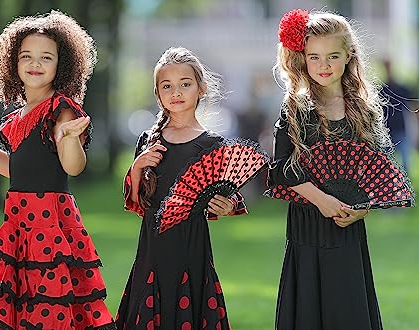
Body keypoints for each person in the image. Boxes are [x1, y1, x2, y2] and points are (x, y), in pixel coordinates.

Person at [0, 11, 116, 330]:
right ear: (13, 63)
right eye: (26, 56)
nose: (36, 63)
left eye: (47, 57)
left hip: (49, 225)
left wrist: (70, 138)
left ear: (62, 65)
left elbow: (71, 166)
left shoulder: (61, 109)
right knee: (19, 306)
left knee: (48, 305)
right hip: (19, 222)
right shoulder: (17, 117)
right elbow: (20, 172)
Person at [268, 9, 397, 329]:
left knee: (348, 308)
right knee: (308, 310)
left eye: (332, 56)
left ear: (348, 56)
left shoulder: (363, 110)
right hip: (307, 226)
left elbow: (376, 172)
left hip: (347, 227)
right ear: (302, 59)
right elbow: (280, 169)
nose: (323, 65)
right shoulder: (296, 106)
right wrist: (321, 200)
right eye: (314, 57)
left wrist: (363, 208)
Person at [115, 47, 248, 329]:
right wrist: (138, 167)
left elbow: (227, 195)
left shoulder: (213, 145)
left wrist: (227, 205)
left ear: (200, 88)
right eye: (167, 86)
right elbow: (136, 201)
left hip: (192, 245)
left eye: (184, 84)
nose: (176, 92)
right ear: (158, 94)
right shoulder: (149, 140)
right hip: (153, 246)